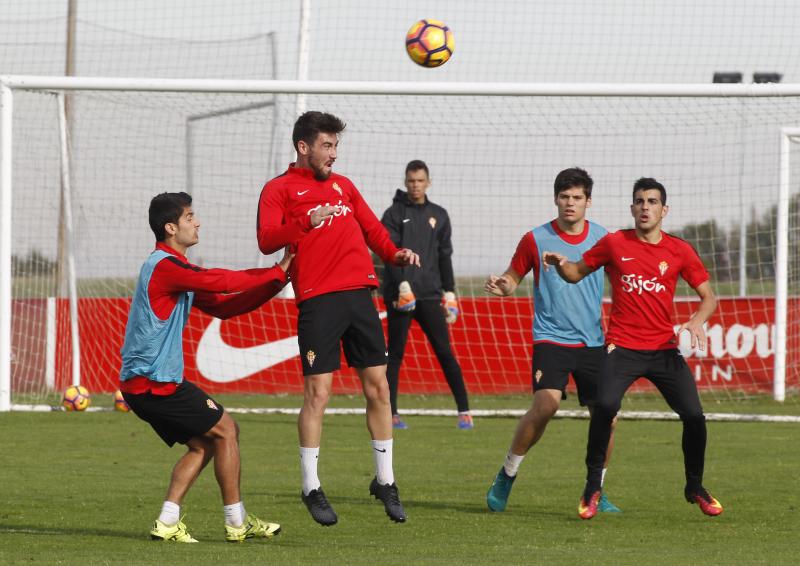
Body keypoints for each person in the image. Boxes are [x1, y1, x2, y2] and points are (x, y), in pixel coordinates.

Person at [257, 111, 420, 526]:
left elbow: (371, 230)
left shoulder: (344, 186)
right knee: (319, 394)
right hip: (317, 300)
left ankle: (385, 481)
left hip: (359, 296)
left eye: (336, 146)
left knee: (380, 389)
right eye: (327, 145)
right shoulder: (278, 190)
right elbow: (265, 240)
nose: (334, 153)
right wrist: (302, 222)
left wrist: (393, 255)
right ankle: (311, 486)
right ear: (303, 146)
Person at [543, 177, 723, 519]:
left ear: (663, 210)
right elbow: (576, 272)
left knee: (694, 417)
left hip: (662, 350)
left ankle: (695, 487)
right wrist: (560, 264)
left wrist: (697, 320)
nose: (645, 207)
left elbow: (709, 297)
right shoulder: (614, 243)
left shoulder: (680, 250)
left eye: (652, 202)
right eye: (639, 201)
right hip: (621, 347)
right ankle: (593, 486)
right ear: (632, 208)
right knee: (606, 405)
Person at [120, 192, 289, 543]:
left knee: (204, 444)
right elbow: (221, 281)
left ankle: (167, 522)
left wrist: (279, 280)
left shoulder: (175, 270)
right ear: (170, 227)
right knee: (227, 431)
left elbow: (228, 307)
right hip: (155, 384)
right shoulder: (166, 267)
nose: (197, 222)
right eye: (190, 216)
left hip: (144, 386)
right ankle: (236, 521)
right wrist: (278, 269)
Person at [484, 167, 621, 514]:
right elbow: (512, 278)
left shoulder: (605, 239)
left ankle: (596, 492)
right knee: (546, 404)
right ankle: (507, 474)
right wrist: (503, 287)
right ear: (555, 199)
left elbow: (623, 283)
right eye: (564, 197)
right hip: (551, 339)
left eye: (577, 197)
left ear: (588, 201)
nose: (570, 203)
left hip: (592, 342)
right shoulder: (535, 238)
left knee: (609, 415)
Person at [380, 160, 472, 430]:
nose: (415, 185)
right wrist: (401, 286)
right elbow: (388, 254)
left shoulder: (439, 215)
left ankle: (464, 411)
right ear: (405, 181)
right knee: (394, 355)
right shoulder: (393, 214)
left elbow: (445, 257)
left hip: (430, 295)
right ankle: (392, 413)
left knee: (444, 351)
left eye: (420, 181)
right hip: (401, 296)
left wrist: (451, 293)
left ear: (428, 182)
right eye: (411, 181)